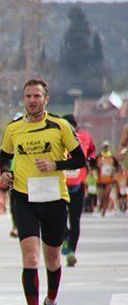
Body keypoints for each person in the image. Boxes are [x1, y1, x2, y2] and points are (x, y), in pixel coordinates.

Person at [0, 78, 86, 305]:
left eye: (37, 96)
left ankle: (50, 303)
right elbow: (5, 156)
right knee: (30, 257)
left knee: (52, 259)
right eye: (28, 96)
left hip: (54, 199)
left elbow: (80, 159)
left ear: (45, 99)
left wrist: (55, 166)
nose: (32, 101)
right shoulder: (13, 129)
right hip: (24, 198)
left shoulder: (60, 126)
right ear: (23, 100)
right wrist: (5, 172)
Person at [60, 114, 95, 267]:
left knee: (75, 220)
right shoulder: (56, 137)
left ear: (75, 126)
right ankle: (65, 238)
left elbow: (92, 151)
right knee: (59, 219)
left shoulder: (85, 137)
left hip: (77, 186)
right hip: (60, 186)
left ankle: (72, 252)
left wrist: (91, 159)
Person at [96, 142, 119, 216]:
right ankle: (101, 206)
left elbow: (117, 167)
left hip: (109, 180)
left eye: (107, 147)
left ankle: (104, 212)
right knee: (102, 197)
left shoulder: (112, 158)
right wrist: (97, 168)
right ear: (102, 148)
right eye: (105, 147)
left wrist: (114, 171)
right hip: (100, 181)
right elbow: (92, 166)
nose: (106, 148)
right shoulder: (98, 157)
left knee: (107, 196)